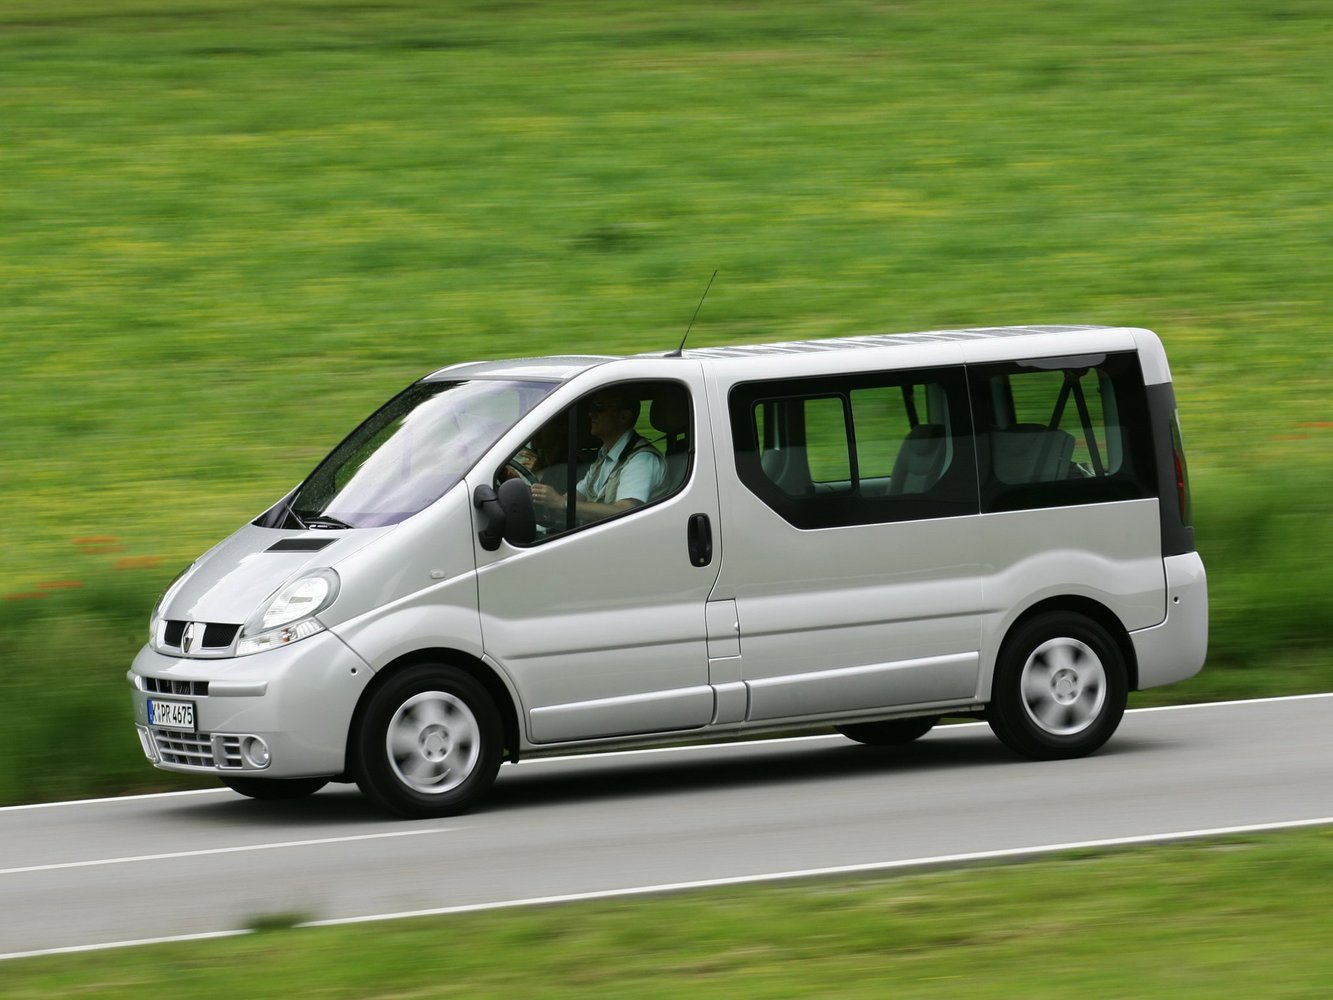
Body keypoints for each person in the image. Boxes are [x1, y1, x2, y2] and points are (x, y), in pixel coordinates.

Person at [530, 387, 665, 526]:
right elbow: (575, 497)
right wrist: (543, 497)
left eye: (599, 408)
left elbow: (625, 511)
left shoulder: (641, 460)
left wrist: (561, 503)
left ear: (623, 417)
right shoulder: (605, 457)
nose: (590, 414)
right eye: (591, 408)